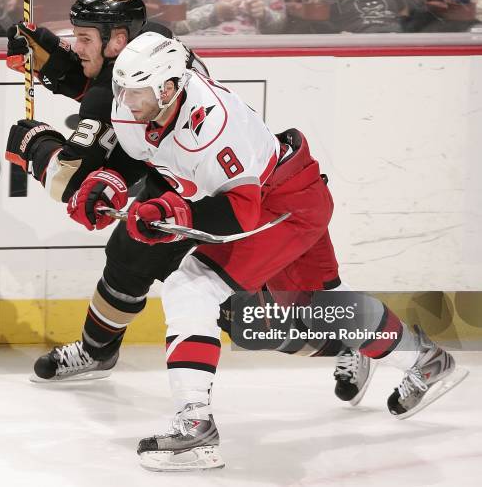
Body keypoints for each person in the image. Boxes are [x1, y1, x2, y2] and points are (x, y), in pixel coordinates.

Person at [70, 31, 468, 471]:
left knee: (192, 288)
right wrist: (107, 182)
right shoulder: (144, 102)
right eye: (121, 88)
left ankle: (195, 425)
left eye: (135, 91)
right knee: (324, 305)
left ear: (168, 88)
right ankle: (427, 360)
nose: (124, 99)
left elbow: (240, 214)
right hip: (287, 188)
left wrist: (172, 212)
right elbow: (143, 154)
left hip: (283, 204)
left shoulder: (217, 125)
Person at [4, 0, 210, 383]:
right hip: (173, 169)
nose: (75, 45)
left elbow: (70, 181)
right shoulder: (151, 39)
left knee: (226, 295)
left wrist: (36, 145)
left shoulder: (115, 87)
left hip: (211, 189)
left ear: (118, 40)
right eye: (75, 36)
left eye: (84, 39)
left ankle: (358, 338)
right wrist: (49, 55)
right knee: (127, 257)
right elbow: (107, 89)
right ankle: (97, 351)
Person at [173, 0, 287, 35]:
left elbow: (281, 26)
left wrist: (264, 15)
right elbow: (174, 26)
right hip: (200, 56)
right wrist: (213, 13)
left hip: (252, 56)